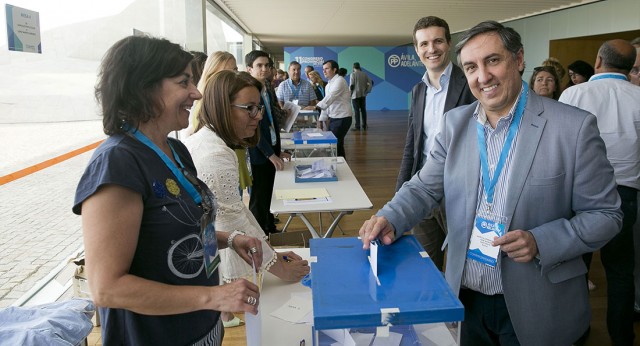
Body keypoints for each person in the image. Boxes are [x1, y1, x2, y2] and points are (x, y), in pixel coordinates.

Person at [359, 21, 622, 346]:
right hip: (466, 297)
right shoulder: (456, 124)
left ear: (519, 59)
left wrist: (542, 240)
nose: (482, 76)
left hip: (537, 302)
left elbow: (606, 216)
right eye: (471, 67)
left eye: (493, 60)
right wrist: (389, 217)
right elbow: (424, 187)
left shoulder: (573, 128)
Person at [73, 35, 263, 345]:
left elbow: (173, 232)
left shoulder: (175, 149)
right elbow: (107, 288)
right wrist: (214, 296)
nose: (196, 92)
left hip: (202, 326)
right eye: (183, 82)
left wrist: (231, 239)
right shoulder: (118, 162)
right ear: (142, 88)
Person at [184, 70, 310, 327]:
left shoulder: (210, 142)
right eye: (250, 108)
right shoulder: (215, 156)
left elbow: (236, 217)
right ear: (222, 107)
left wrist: (272, 254)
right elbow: (232, 223)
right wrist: (279, 267)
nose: (258, 116)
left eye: (259, 108)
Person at [559, 39, 640, 346]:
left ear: (597, 61)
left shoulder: (573, 93)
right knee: (620, 272)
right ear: (630, 66)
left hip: (578, 195)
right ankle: (622, 339)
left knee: (575, 268)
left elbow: (560, 147)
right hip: (625, 196)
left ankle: (576, 332)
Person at [396, 16, 476, 271]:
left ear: (449, 44)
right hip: (423, 189)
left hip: (461, 193)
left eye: (438, 41)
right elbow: (412, 144)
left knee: (461, 268)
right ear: (417, 49)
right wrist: (401, 191)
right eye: (424, 44)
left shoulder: (470, 85)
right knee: (425, 268)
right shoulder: (418, 90)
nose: (432, 49)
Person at [245, 50, 290, 234]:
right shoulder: (249, 92)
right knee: (259, 198)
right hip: (259, 154)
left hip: (271, 148)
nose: (264, 69)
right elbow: (253, 129)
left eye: (267, 66)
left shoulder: (267, 88)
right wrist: (270, 154)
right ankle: (258, 236)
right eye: (259, 66)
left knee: (270, 193)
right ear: (249, 69)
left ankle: (269, 228)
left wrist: (277, 151)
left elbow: (271, 122)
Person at [316, 60, 353, 158]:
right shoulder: (328, 85)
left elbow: (330, 98)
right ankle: (342, 167)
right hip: (334, 118)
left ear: (334, 69)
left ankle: (338, 166)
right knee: (338, 145)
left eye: (327, 69)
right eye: (323, 69)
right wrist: (321, 120)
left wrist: (316, 106)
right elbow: (326, 105)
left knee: (333, 144)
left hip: (343, 117)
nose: (324, 71)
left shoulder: (340, 80)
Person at [350, 62, 372, 131]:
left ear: (353, 68)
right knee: (363, 110)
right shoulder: (364, 74)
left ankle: (357, 126)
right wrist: (368, 91)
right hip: (363, 94)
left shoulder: (352, 74)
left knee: (356, 111)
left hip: (355, 95)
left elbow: (352, 85)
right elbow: (371, 82)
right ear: (359, 67)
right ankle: (364, 125)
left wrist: (350, 94)